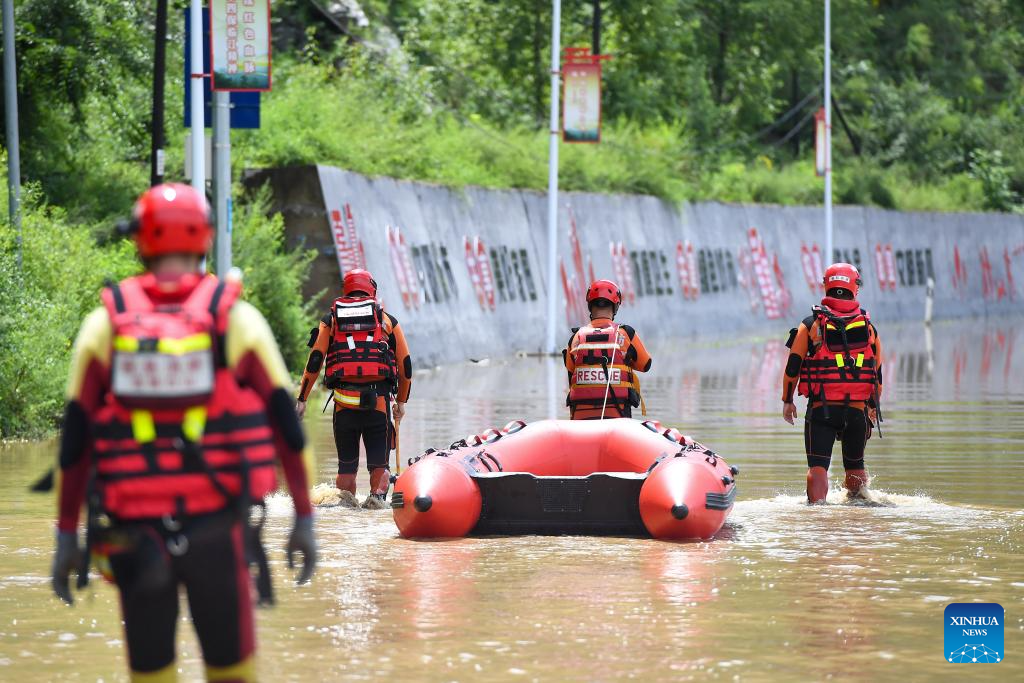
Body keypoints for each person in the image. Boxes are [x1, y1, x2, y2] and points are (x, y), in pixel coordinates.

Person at [49, 183, 316, 681]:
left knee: (151, 674)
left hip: (133, 536)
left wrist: (66, 533)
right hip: (219, 531)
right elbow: (288, 431)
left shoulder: (104, 326)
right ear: (205, 239)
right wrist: (304, 516)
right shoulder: (237, 320)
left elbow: (74, 446)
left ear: (140, 240)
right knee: (232, 671)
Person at [296, 268, 412, 509]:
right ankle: (376, 505)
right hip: (378, 405)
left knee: (346, 469)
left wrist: (302, 398)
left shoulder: (331, 320)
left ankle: (344, 513)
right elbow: (405, 366)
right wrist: (401, 401)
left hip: (344, 405)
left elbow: (315, 360)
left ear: (345, 289)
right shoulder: (387, 320)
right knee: (379, 468)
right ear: (372, 288)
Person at [781, 262, 884, 503]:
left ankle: (818, 513)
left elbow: (792, 367)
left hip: (821, 411)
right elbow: (876, 375)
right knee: (855, 467)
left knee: (818, 468)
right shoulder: (869, 328)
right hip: (857, 411)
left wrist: (788, 400)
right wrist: (871, 408)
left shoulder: (810, 325)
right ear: (854, 287)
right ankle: (859, 505)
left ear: (827, 285)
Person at [563, 279, 652, 420]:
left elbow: (571, 374)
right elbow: (646, 364)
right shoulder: (625, 333)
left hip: (580, 419)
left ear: (590, 306)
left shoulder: (575, 338)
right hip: (617, 416)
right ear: (616, 306)